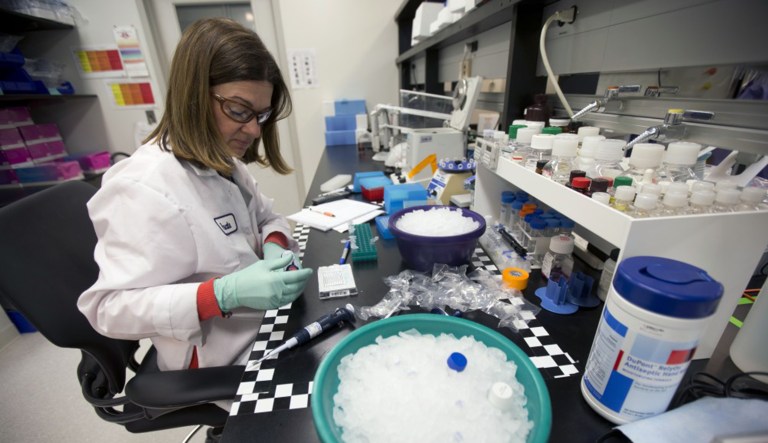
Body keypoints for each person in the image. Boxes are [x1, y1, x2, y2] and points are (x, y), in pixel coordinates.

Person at [78, 18, 313, 375]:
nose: (254, 129)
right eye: (239, 111)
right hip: (220, 360)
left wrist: (274, 244)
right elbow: (108, 309)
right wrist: (220, 295)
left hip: (263, 325)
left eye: (261, 115)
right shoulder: (142, 187)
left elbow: (266, 217)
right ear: (194, 95)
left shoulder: (222, 161)